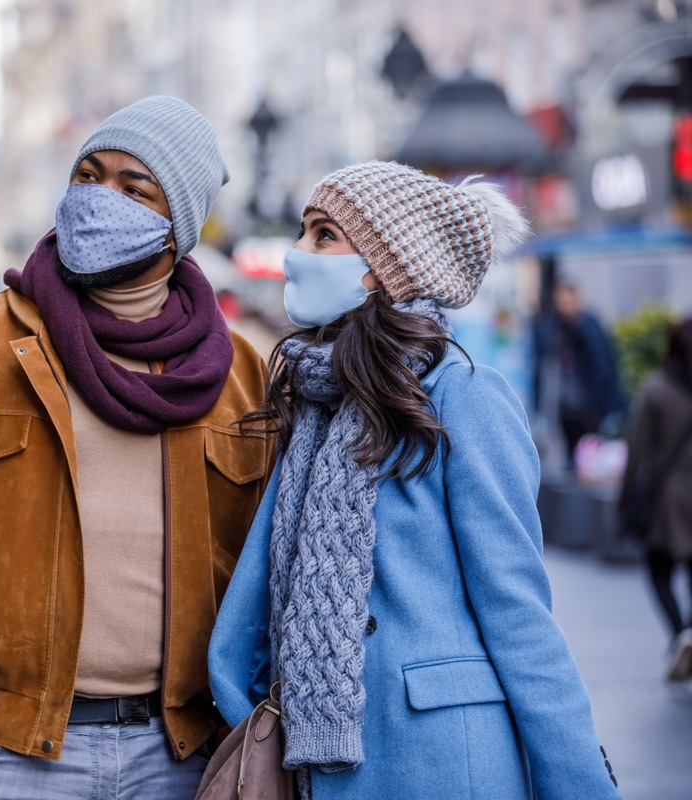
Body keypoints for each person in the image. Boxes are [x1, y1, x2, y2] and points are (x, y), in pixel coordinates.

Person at [0, 96, 275, 800]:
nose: (100, 199)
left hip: (183, 757)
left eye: (135, 188)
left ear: (178, 227)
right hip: (4, 754)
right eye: (87, 175)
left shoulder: (239, 379)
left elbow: (274, 576)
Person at [208, 161, 622, 798]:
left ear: (386, 267)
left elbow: (519, 616)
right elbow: (268, 597)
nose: (297, 254)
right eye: (303, 233)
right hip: (319, 765)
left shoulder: (463, 397)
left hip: (442, 763)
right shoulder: (315, 402)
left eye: (324, 236)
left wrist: (582, 788)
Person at [619, 318, 692, 680]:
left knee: (659, 569)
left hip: (670, 499)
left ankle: (681, 634)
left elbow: (637, 451)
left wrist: (625, 498)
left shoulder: (658, 390)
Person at [534, 281, 626, 463]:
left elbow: (603, 369)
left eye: (567, 302)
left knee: (590, 458)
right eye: (560, 303)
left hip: (588, 409)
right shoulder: (555, 329)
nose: (563, 308)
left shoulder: (588, 328)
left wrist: (594, 406)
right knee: (573, 458)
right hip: (568, 409)